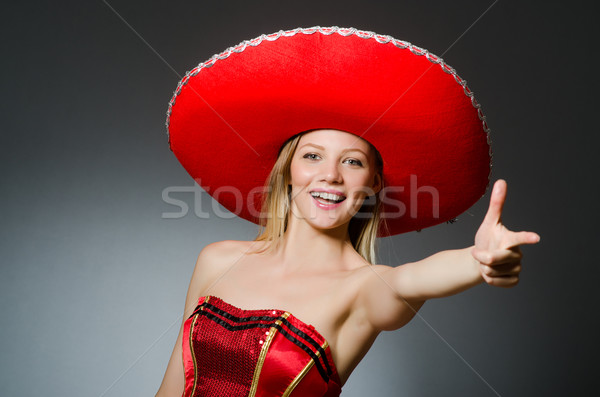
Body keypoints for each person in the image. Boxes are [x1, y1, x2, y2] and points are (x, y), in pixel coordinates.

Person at [156, 27, 540, 396]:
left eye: (353, 162)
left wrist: (479, 261)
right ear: (288, 171)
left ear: (373, 184)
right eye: (312, 156)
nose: (330, 176)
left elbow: (414, 280)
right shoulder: (216, 259)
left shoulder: (364, 288)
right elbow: (171, 390)